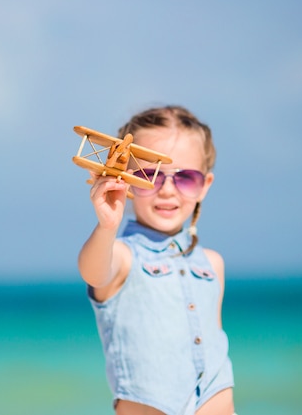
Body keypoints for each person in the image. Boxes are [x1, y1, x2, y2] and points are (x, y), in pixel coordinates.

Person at [78, 106, 235, 415]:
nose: (167, 189)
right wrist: (107, 226)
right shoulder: (123, 256)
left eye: (186, 178)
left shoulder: (212, 264)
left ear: (205, 185)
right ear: (126, 178)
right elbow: (94, 272)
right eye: (148, 175)